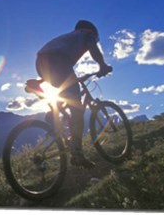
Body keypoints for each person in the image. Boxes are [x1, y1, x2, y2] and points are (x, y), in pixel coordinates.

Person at [35, 20, 112, 168]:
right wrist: (102, 66)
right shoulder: (86, 34)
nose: (94, 39)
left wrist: (41, 80)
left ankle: (55, 113)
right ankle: (77, 154)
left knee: (67, 92)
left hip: (42, 61)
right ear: (91, 32)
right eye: (95, 38)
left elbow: (52, 64)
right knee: (77, 109)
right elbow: (93, 49)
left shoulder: (68, 39)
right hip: (57, 61)